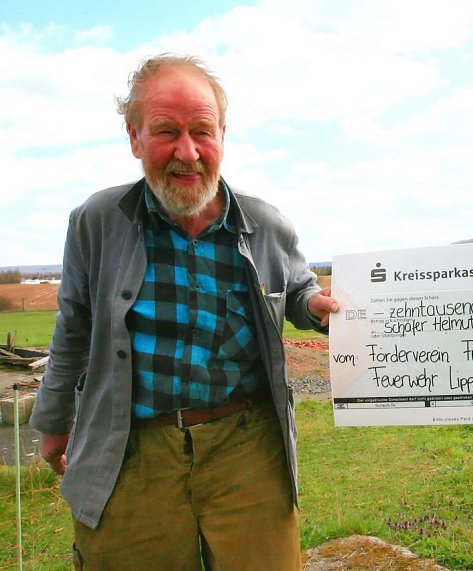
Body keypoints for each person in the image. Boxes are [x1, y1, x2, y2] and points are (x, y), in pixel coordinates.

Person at [29, 54, 338, 570]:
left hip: (247, 448)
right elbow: (72, 331)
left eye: (202, 131)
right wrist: (55, 422)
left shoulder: (265, 223)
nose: (187, 152)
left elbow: (298, 286)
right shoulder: (96, 222)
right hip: (130, 451)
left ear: (222, 135)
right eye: (165, 131)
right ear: (134, 139)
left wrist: (313, 305)